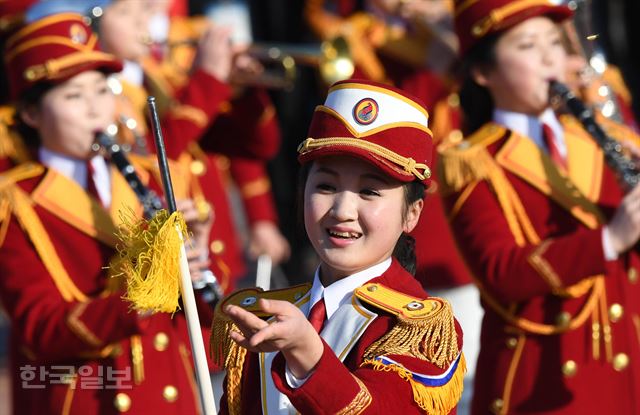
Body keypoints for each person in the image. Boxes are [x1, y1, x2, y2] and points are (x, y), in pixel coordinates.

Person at [211, 79, 465, 414]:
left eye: (369, 192)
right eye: (326, 186)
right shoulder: (268, 312)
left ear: (412, 214)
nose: (342, 211)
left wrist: (309, 356)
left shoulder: (418, 328)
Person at [0, 14, 213, 414]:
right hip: (87, 398)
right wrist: (145, 294)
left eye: (102, 90)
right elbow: (41, 327)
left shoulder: (151, 177)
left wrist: (196, 264)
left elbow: (201, 315)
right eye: (74, 96)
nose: (96, 110)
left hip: (170, 390)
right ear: (30, 114)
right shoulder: (15, 204)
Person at [438, 0, 640, 413]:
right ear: (482, 72)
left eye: (554, 41)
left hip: (622, 363)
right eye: (528, 45)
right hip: (538, 382)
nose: (551, 57)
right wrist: (610, 238)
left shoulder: (605, 138)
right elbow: (500, 272)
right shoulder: (472, 161)